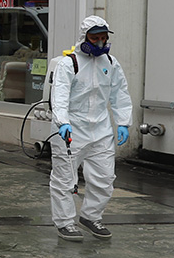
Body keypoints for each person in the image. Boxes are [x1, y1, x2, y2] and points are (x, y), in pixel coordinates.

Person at [49, 16, 131, 242]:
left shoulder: (111, 63)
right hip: (72, 129)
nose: (100, 43)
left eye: (103, 38)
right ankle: (65, 223)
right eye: (95, 38)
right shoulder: (69, 63)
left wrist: (123, 122)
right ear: (84, 37)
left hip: (101, 130)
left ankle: (91, 216)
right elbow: (60, 96)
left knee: (104, 178)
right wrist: (62, 121)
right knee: (65, 179)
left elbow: (120, 94)